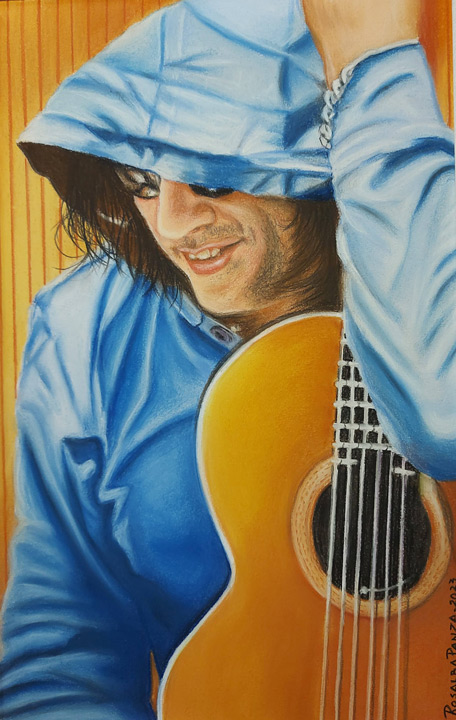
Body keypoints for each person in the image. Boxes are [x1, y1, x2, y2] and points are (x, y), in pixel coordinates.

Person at [0, 0, 454, 717]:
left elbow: (444, 418)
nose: (172, 224)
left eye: (211, 179)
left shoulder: (433, 242)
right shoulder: (84, 328)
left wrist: (376, 71)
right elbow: (61, 653)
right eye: (142, 183)